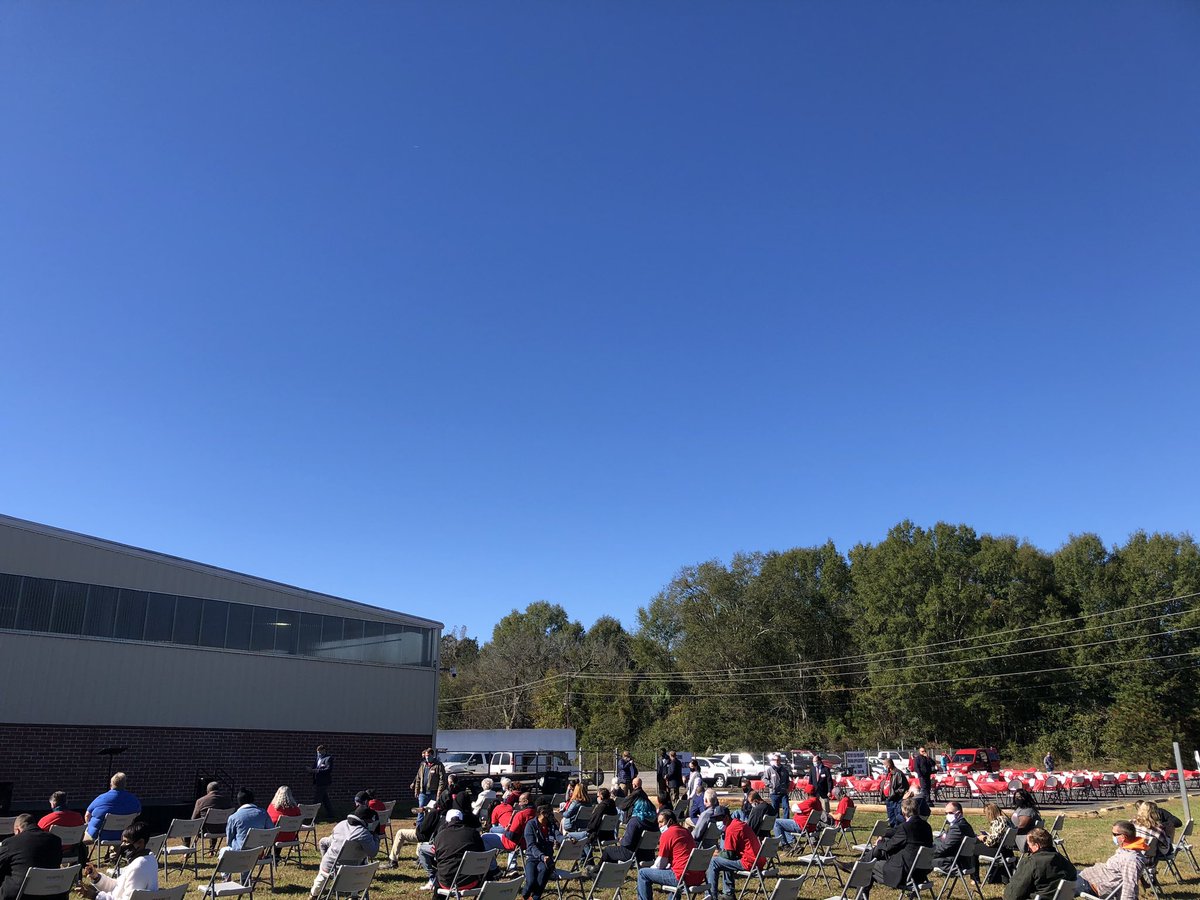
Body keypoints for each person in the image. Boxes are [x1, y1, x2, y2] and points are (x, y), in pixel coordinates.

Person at [852, 797, 933, 898]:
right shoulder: (927, 827)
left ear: (903, 812)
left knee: (868, 867)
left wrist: (880, 842)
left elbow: (888, 847)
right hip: (921, 872)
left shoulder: (906, 828)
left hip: (905, 873)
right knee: (872, 858)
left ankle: (857, 870)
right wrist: (884, 835)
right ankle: (859, 864)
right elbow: (896, 832)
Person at [311, 803, 381, 897]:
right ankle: (354, 895)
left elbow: (332, 842)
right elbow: (373, 853)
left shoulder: (340, 825)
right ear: (366, 821)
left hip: (330, 869)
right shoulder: (363, 833)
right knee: (361, 861)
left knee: (324, 847)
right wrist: (376, 836)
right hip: (353, 871)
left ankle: (314, 894)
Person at [79, 821, 157, 900]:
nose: (123, 845)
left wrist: (94, 895)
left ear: (140, 842)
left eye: (127, 842)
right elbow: (119, 886)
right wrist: (97, 877)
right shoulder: (149, 859)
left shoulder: (138, 867)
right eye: (123, 841)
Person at [637, 809, 703, 900]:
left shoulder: (667, 834)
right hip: (697, 877)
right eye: (658, 823)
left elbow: (660, 864)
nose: (659, 825)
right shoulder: (686, 831)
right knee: (671, 871)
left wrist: (651, 870)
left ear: (670, 821)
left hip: (681, 877)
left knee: (642, 873)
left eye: (661, 822)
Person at [1073, 821, 1146, 900]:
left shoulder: (1131, 860)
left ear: (1123, 837)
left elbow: (1129, 888)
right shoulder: (1127, 849)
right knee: (1062, 869)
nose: (1113, 836)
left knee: (1059, 885)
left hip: (1090, 884)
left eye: (1114, 834)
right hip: (1089, 876)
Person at [0, 814, 64, 900]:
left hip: (20, 893)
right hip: (52, 892)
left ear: (17, 830)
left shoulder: (11, 843)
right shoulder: (55, 840)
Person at [707, 806, 764, 900]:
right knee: (724, 861)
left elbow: (728, 855)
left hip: (750, 862)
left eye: (718, 818)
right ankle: (728, 893)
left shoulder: (732, 828)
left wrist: (716, 854)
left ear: (726, 817)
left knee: (714, 862)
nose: (717, 821)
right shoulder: (738, 824)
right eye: (715, 819)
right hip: (758, 860)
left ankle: (711, 896)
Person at [1003, 827, 1076, 900]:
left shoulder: (1031, 863)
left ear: (1036, 846)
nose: (1028, 848)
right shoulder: (1064, 861)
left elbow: (1013, 895)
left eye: (1029, 845)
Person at [433, 808, 488, 892]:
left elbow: (437, 859)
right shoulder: (473, 833)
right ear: (462, 819)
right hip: (471, 880)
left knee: (438, 876)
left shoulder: (439, 836)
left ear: (447, 821)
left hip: (446, 882)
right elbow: (482, 853)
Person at [84, 772, 141, 844]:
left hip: (98, 836)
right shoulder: (134, 800)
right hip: (123, 836)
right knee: (119, 833)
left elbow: (87, 815)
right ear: (125, 785)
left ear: (111, 784)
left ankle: (83, 854)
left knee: (82, 834)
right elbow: (138, 814)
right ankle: (114, 854)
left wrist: (89, 825)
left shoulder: (101, 798)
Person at [38, 792, 85, 864]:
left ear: (53, 804)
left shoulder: (45, 820)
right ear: (66, 802)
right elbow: (81, 836)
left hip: (51, 854)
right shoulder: (78, 817)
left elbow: (38, 838)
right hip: (72, 852)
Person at [522, 805, 556, 900]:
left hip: (547, 859)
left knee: (544, 870)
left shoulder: (551, 825)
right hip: (533, 857)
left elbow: (558, 835)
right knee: (531, 881)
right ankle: (524, 896)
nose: (548, 817)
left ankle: (534, 898)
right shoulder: (531, 825)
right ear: (539, 814)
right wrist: (542, 856)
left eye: (550, 814)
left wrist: (568, 838)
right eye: (546, 815)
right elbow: (531, 846)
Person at [931, 802, 976, 871]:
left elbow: (946, 847)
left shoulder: (957, 828)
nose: (948, 815)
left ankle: (917, 880)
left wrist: (930, 853)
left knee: (922, 861)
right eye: (946, 813)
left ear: (959, 813)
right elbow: (942, 839)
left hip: (955, 863)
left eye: (950, 813)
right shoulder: (963, 824)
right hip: (963, 861)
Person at [412, 748, 447, 831]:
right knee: (421, 811)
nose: (427, 758)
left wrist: (439, 793)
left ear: (432, 755)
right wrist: (417, 789)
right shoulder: (423, 765)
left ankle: (432, 829)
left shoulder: (438, 765)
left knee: (433, 811)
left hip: (433, 793)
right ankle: (419, 829)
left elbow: (442, 780)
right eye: (426, 756)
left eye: (428, 756)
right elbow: (418, 778)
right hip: (423, 793)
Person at [267, 785, 302, 859]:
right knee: (280, 831)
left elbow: (268, 821)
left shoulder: (272, 807)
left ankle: (270, 854)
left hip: (275, 837)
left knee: (275, 831)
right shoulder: (295, 808)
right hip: (291, 837)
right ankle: (276, 855)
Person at [309, 744, 334, 821]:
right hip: (317, 781)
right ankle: (331, 813)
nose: (319, 754)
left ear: (324, 751)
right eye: (317, 752)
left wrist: (317, 771)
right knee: (324, 798)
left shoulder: (328, 758)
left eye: (320, 752)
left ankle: (312, 816)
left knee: (317, 799)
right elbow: (315, 767)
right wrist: (310, 769)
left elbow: (328, 769)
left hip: (324, 782)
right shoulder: (317, 758)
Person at [881, 759, 907, 828]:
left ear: (888, 765)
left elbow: (903, 787)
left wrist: (894, 794)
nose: (884, 766)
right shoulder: (888, 774)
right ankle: (893, 834)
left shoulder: (898, 773)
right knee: (891, 818)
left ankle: (898, 833)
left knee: (897, 818)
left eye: (885, 765)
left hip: (896, 800)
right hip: (888, 800)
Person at [764, 754, 790, 820]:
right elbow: (764, 779)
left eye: (778, 760)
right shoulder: (770, 769)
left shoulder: (784, 769)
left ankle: (786, 821)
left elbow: (787, 780)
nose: (776, 761)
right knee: (775, 808)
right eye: (775, 760)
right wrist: (771, 785)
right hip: (774, 793)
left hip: (783, 792)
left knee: (786, 807)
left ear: (780, 760)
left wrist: (787, 787)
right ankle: (777, 822)